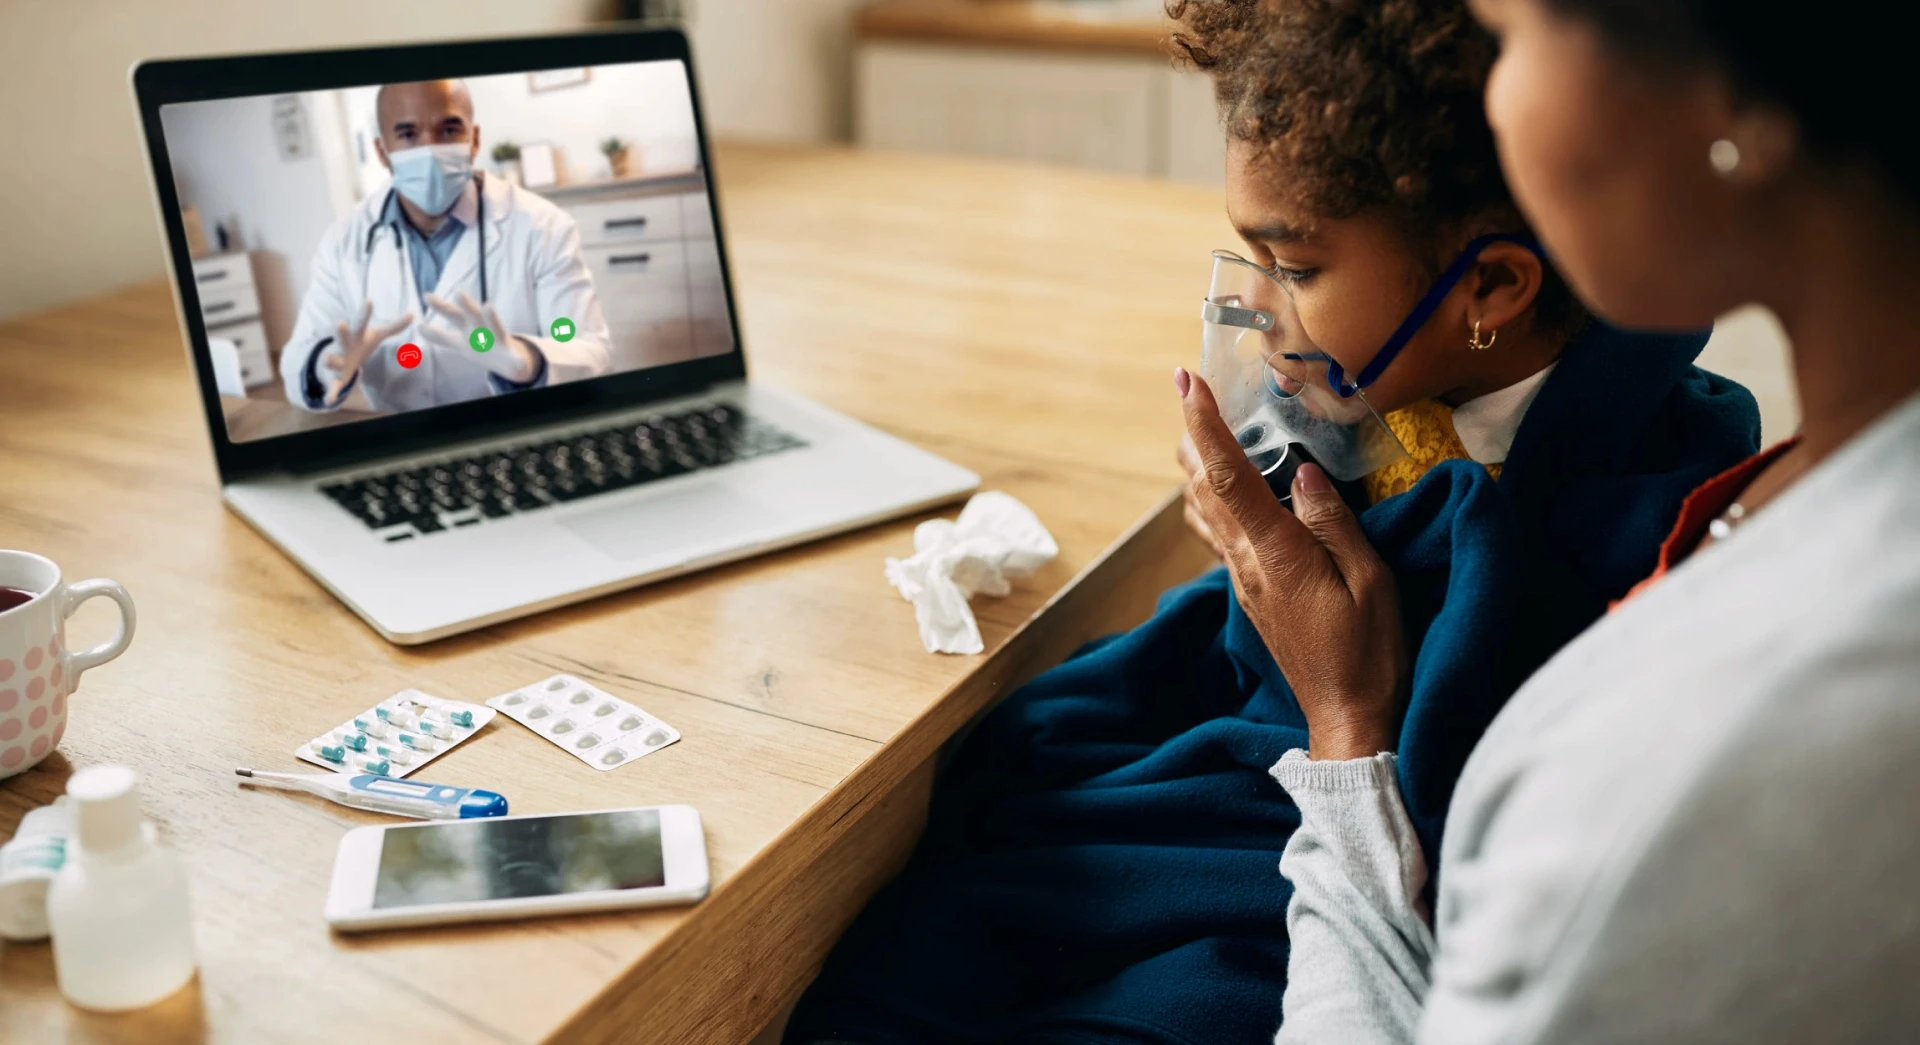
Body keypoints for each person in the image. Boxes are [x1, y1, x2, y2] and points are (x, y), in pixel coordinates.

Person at [783, 2, 1760, 1042]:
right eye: (1250, 255)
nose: (1256, 311)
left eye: (1294, 269)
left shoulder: (1645, 530)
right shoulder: (1385, 395)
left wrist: (1338, 695)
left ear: (1490, 286)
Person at [1175, 0, 1920, 1040]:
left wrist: (1346, 727)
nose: (1494, 93)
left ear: (1740, 99)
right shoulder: (1820, 485)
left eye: (1516, 30)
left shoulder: (1723, 739)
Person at [277, 79, 612, 414]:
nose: (430, 150)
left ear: (474, 140)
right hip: (401, 432)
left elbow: (589, 348)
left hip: (512, 423)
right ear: (382, 152)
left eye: (449, 130)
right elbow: (297, 358)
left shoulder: (544, 226)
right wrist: (325, 364)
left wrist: (527, 360)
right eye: (408, 134)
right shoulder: (343, 242)